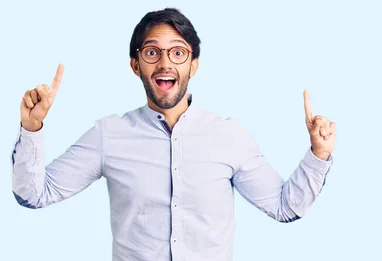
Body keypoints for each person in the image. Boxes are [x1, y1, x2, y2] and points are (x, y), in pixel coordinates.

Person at [12, 7, 335, 261]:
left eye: (178, 52)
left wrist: (318, 154)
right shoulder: (108, 134)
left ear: (193, 65)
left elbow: (285, 208)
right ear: (135, 65)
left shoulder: (229, 136)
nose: (165, 63)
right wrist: (31, 128)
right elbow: (33, 195)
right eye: (152, 52)